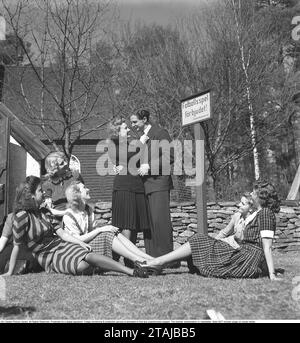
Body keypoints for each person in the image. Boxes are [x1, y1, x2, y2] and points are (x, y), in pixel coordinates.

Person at [2, 176, 148, 278]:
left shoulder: (45, 212)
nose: (44, 193)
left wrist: (80, 243)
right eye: (40, 190)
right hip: (47, 256)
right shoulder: (21, 217)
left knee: (87, 255)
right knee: (82, 267)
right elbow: (17, 246)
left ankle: (130, 271)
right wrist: (10, 272)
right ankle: (105, 265)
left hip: (61, 245)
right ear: (31, 195)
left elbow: (63, 235)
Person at [144, 180, 282, 281]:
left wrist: (272, 274)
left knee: (200, 240)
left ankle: (158, 262)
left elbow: (267, 247)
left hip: (246, 259)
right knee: (201, 240)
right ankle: (158, 262)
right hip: (242, 253)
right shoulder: (257, 213)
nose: (251, 194)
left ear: (261, 197)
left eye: (254, 192)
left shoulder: (265, 214)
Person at [62, 181, 153, 266]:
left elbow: (92, 233)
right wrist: (101, 229)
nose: (88, 189)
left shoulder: (88, 210)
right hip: (76, 253)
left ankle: (149, 259)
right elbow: (78, 240)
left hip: (88, 247)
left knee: (114, 232)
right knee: (106, 234)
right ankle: (139, 260)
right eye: (84, 188)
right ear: (76, 195)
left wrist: (104, 229)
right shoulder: (69, 216)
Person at [130, 109, 175, 261]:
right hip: (145, 186)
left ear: (144, 119)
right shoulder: (142, 138)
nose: (132, 125)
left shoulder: (160, 133)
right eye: (131, 122)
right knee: (148, 225)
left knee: (160, 222)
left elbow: (170, 156)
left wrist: (149, 166)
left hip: (158, 183)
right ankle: (152, 259)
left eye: (135, 121)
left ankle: (168, 260)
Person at [107, 116, 150, 267]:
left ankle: (127, 257)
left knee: (134, 223)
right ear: (117, 131)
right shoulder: (114, 144)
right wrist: (142, 143)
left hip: (137, 185)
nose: (128, 130)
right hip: (124, 186)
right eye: (125, 128)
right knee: (126, 223)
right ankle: (127, 257)